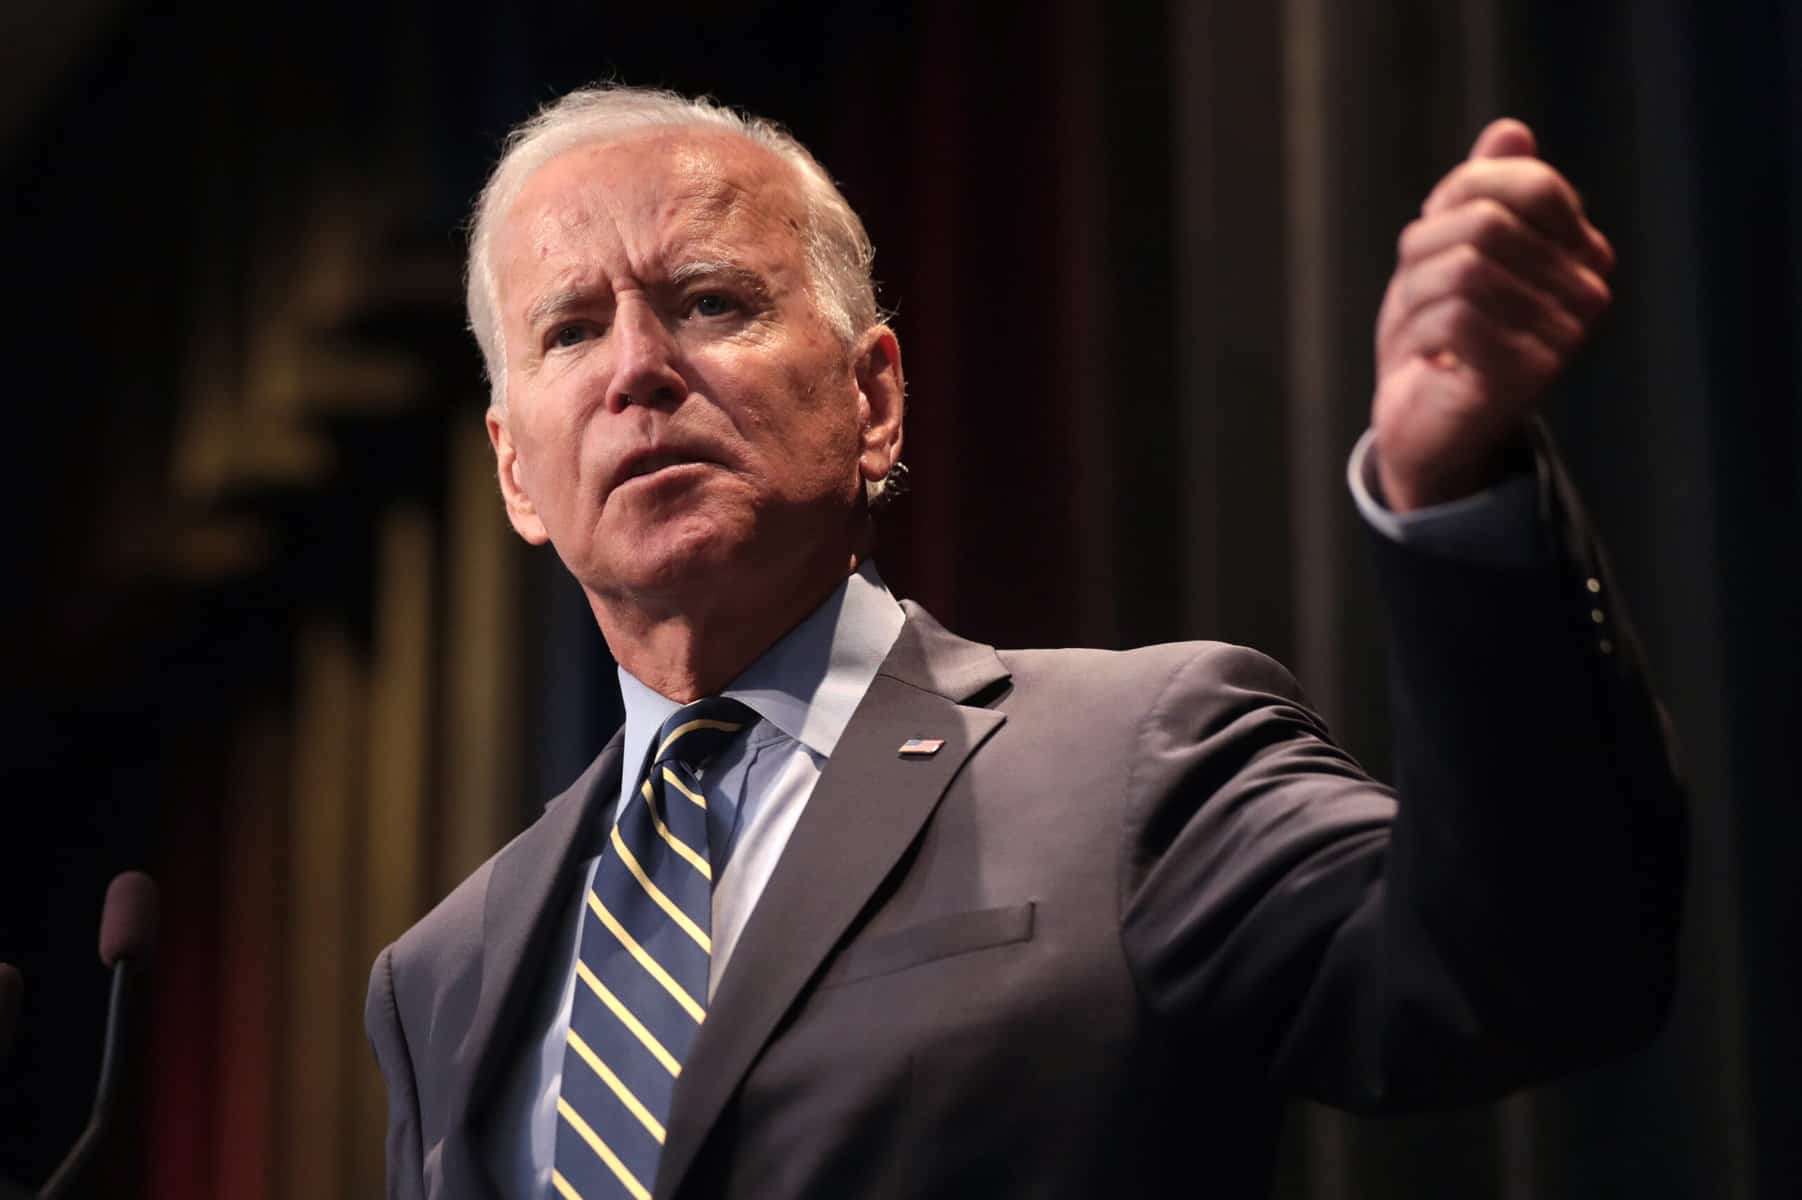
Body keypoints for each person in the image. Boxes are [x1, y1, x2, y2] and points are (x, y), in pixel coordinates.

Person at [364, 85, 1684, 1200]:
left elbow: (1521, 975)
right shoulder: (446, 969)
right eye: (570, 330)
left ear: (873, 399)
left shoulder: (1135, 761)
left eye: (707, 303)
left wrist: (1455, 498)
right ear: (515, 474)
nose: (636, 368)